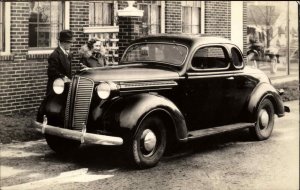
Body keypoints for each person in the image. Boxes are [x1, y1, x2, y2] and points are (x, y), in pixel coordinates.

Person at [46, 30, 75, 95]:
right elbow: (51, 72)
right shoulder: (55, 55)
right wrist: (63, 77)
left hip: (65, 88)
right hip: (56, 89)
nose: (71, 44)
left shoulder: (68, 54)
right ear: (64, 43)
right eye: (70, 43)